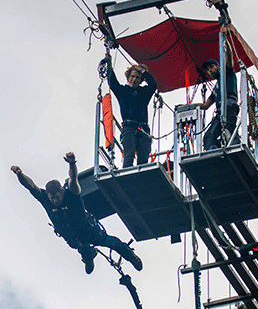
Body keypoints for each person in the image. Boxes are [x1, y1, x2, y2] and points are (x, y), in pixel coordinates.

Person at [11, 152, 143, 275]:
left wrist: (72, 163)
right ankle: (89, 256)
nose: (55, 201)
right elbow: (31, 186)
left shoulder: (72, 194)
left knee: (113, 243)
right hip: (73, 238)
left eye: (57, 197)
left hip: (90, 232)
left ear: (62, 191)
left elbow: (73, 179)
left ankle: (130, 256)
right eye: (52, 198)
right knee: (82, 248)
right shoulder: (45, 199)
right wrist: (19, 174)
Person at [106, 57, 157, 167]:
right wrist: (109, 65)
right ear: (128, 77)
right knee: (128, 155)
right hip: (129, 126)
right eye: (132, 76)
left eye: (137, 78)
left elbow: (153, 85)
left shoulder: (144, 92)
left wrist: (143, 71)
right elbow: (112, 82)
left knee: (143, 157)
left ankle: (142, 179)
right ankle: (127, 179)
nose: (134, 79)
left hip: (143, 128)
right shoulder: (122, 91)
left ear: (141, 80)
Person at [197, 42, 239, 151]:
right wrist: (188, 106)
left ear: (218, 67)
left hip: (229, 104)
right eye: (208, 70)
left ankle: (235, 150)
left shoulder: (227, 73)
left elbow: (229, 59)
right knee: (209, 136)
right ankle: (213, 152)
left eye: (212, 67)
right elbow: (205, 105)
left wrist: (227, 45)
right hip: (220, 110)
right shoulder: (216, 88)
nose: (210, 71)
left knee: (230, 133)